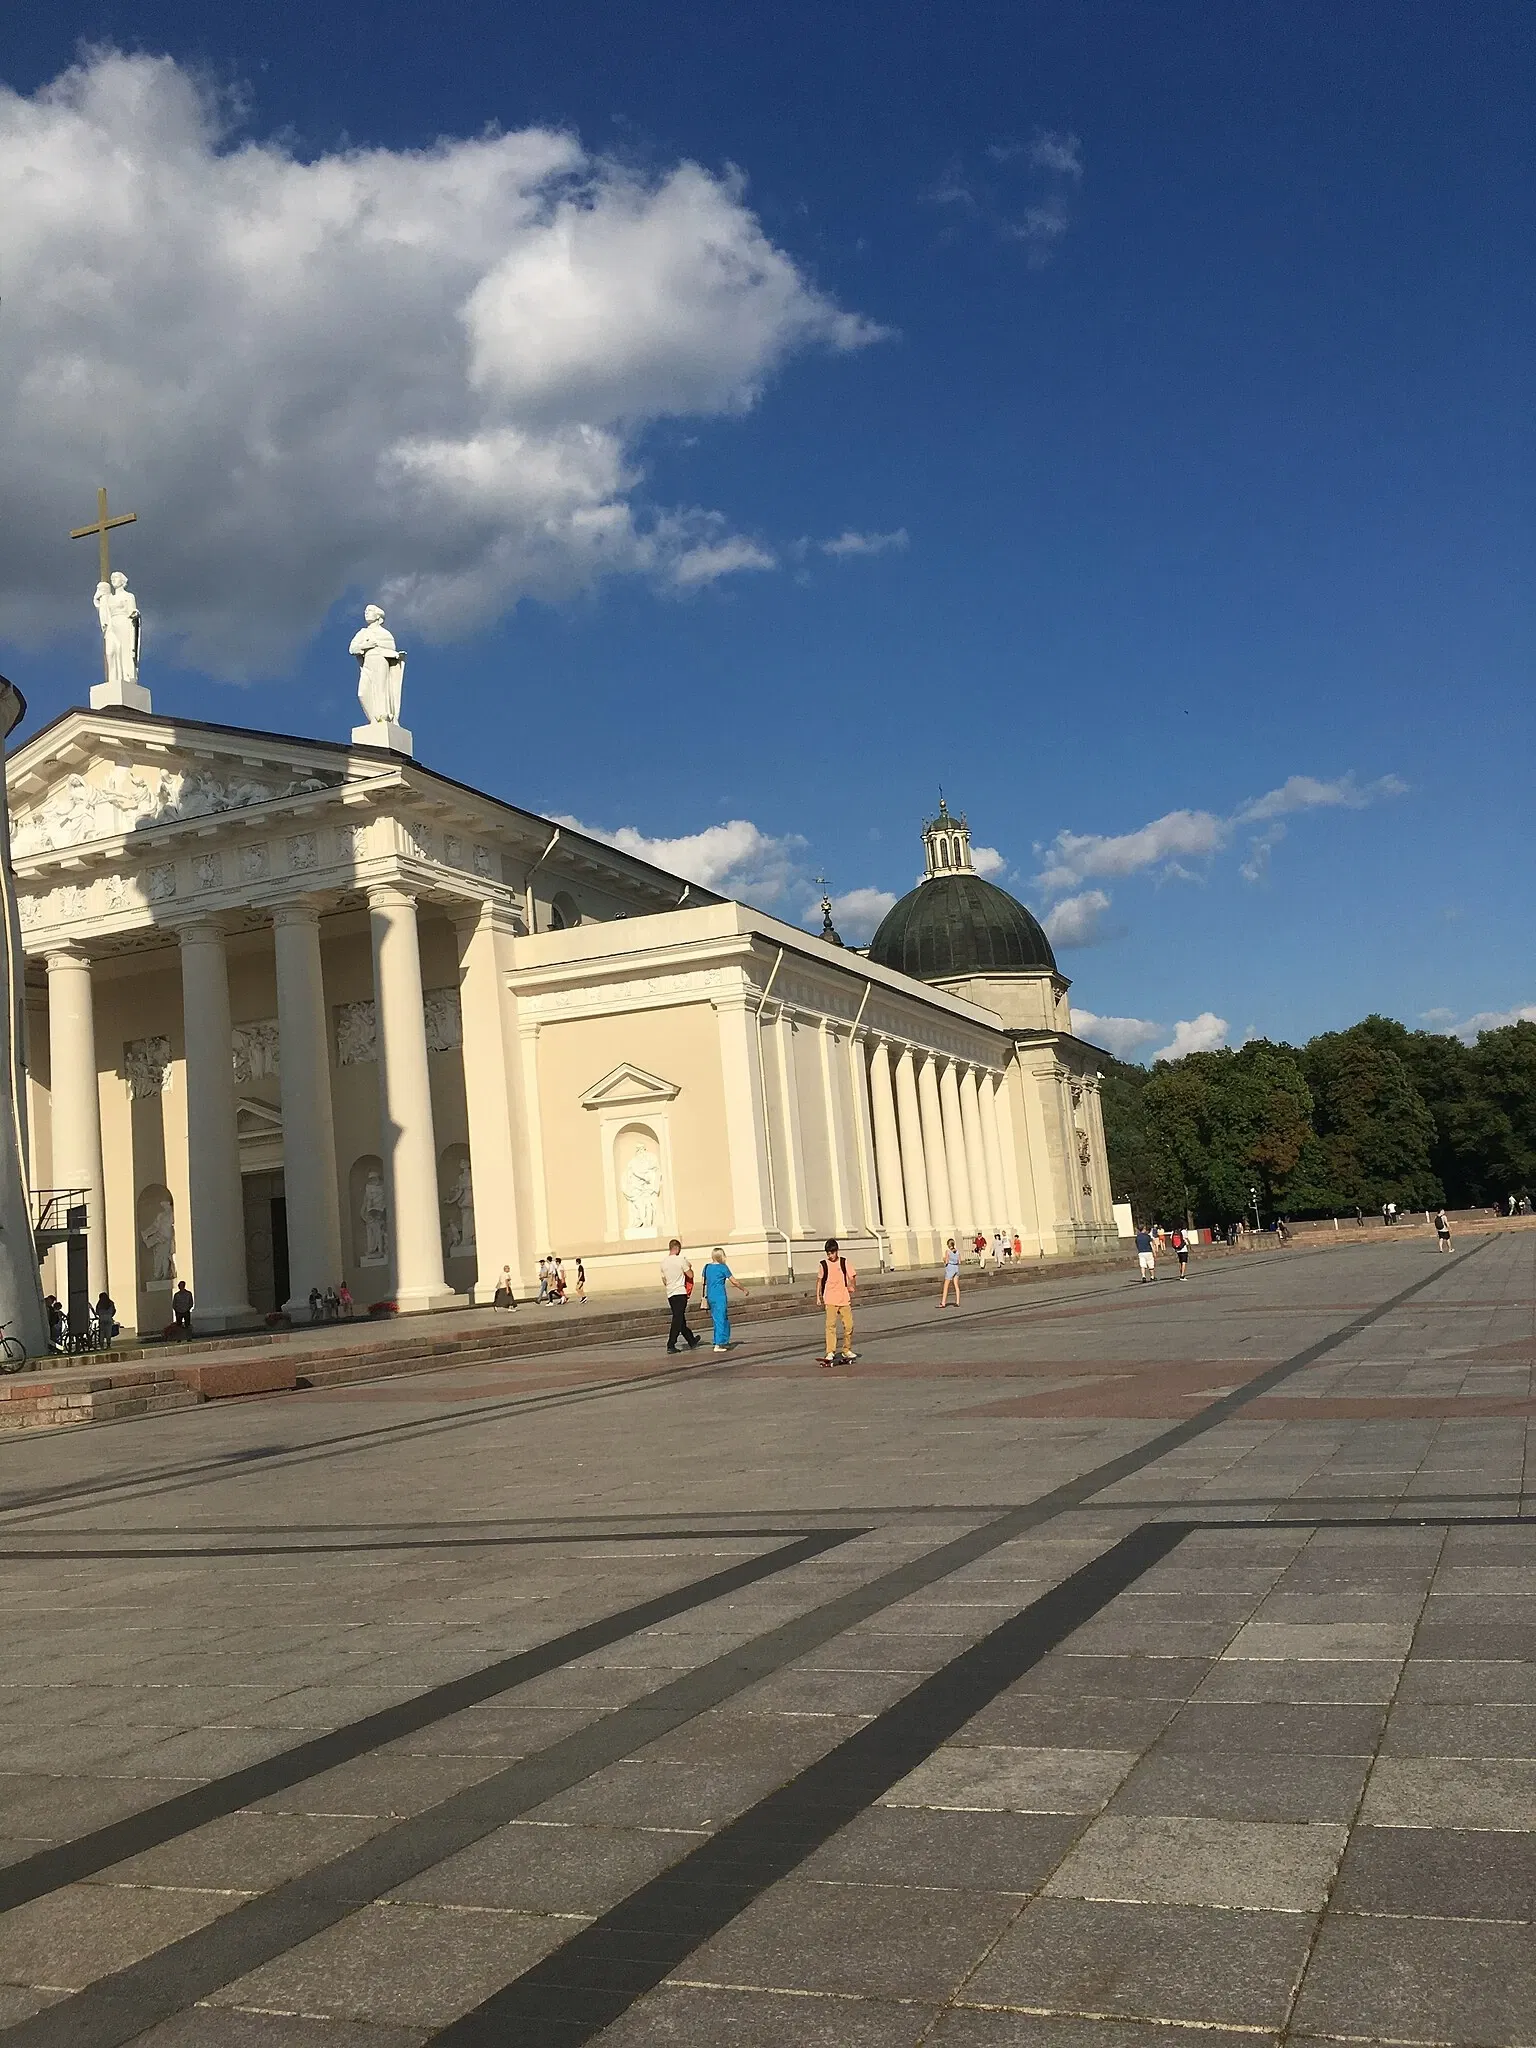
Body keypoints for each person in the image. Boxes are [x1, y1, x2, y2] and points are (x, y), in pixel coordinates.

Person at [817, 1237, 857, 1362]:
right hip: (830, 1299)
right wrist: (818, 1296)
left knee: (849, 1325)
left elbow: (852, 1276)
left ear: (837, 1251)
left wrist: (852, 1286)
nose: (830, 1256)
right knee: (830, 1326)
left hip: (844, 1299)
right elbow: (819, 1281)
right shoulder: (824, 1264)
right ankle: (830, 1351)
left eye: (832, 1253)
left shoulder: (844, 1262)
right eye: (828, 1253)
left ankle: (846, 1350)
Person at [701, 1246, 746, 1351]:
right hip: (720, 1296)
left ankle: (723, 1340)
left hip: (710, 1295)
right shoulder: (723, 1267)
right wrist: (743, 1289)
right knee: (721, 1319)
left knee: (719, 1318)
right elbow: (734, 1281)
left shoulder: (706, 1267)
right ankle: (718, 1343)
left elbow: (703, 1282)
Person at [661, 1239, 699, 1353]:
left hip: (670, 1293)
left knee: (680, 1318)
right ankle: (671, 1344)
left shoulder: (663, 1262)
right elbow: (690, 1274)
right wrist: (689, 1266)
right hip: (680, 1292)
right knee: (677, 1319)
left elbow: (664, 1280)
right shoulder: (681, 1260)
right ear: (677, 1248)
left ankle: (691, 1340)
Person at [940, 1237, 961, 1308]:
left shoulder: (948, 1251)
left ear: (948, 1245)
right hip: (956, 1268)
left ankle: (943, 1302)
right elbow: (959, 1261)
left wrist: (944, 1259)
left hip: (950, 1268)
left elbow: (946, 1262)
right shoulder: (957, 1251)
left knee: (946, 1286)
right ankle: (957, 1302)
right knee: (956, 1286)